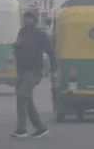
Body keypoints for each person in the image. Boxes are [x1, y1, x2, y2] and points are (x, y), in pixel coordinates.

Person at [11, 11, 55, 139]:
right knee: (27, 100)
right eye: (26, 17)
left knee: (22, 96)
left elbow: (51, 51)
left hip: (34, 71)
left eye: (31, 18)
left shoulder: (41, 35)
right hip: (21, 71)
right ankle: (40, 128)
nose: (28, 20)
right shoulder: (22, 32)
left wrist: (53, 67)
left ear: (35, 21)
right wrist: (16, 45)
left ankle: (21, 129)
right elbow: (16, 46)